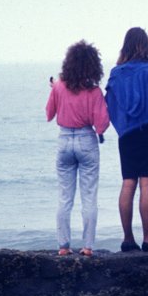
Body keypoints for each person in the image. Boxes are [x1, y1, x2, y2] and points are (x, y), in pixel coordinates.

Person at [105, 27, 148, 252]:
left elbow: (112, 99)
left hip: (127, 134)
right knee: (147, 185)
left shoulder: (117, 72)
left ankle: (127, 239)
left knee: (128, 182)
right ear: (146, 46)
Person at [45, 40, 110, 257]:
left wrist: (55, 88)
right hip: (86, 138)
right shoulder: (94, 91)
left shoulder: (59, 86)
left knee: (65, 196)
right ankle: (87, 246)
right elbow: (101, 125)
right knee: (89, 196)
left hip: (64, 139)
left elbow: (49, 114)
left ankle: (63, 246)